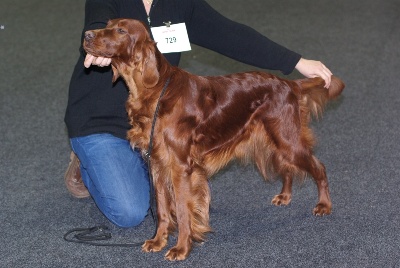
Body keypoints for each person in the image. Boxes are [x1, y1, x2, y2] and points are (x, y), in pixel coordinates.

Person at [64, 0, 333, 228]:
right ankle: (87, 162)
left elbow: (231, 35)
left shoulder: (180, 3)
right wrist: (100, 40)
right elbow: (97, 22)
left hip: (161, 122)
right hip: (100, 123)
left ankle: (129, 163)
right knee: (130, 212)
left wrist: (296, 62)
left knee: (166, 193)